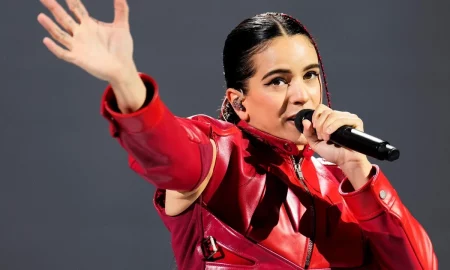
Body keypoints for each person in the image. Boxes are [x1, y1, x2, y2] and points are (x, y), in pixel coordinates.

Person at [37, 0, 438, 269]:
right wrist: (126, 81)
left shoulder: (341, 182)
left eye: (310, 75)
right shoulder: (216, 156)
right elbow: (165, 151)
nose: (302, 95)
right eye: (278, 81)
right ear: (240, 101)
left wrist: (358, 170)